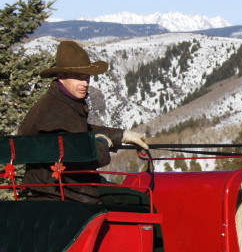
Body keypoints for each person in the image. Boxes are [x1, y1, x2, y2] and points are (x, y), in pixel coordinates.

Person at [17, 40, 149, 202]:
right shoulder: (58, 112)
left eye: (87, 78)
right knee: (143, 202)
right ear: (61, 77)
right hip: (67, 190)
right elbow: (82, 158)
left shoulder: (60, 102)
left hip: (59, 185)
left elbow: (81, 131)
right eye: (78, 78)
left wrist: (120, 135)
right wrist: (102, 144)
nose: (85, 83)